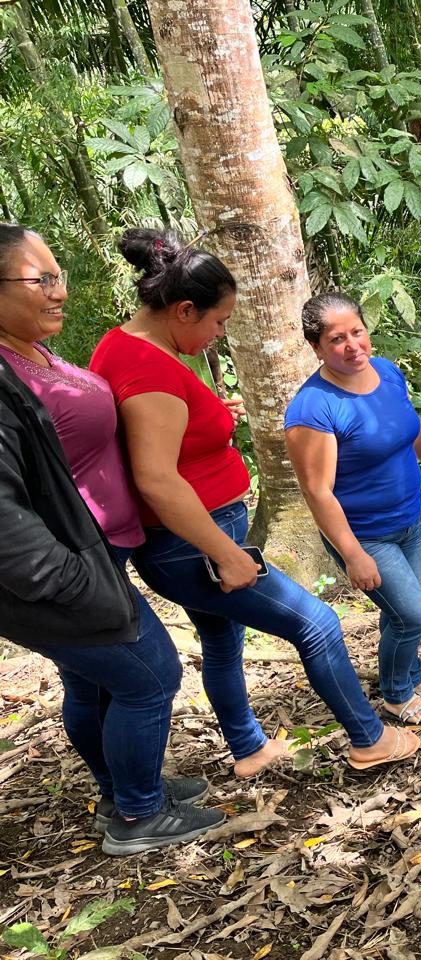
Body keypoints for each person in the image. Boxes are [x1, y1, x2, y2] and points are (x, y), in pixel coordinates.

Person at [91, 228, 419, 774]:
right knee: (317, 623)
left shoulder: (128, 346)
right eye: (219, 322)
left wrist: (209, 418)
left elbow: (157, 435)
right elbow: (157, 479)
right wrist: (226, 553)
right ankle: (369, 738)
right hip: (191, 543)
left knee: (222, 640)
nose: (219, 334)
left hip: (194, 536)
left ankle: (248, 748)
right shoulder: (148, 368)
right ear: (185, 310)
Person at [0, 223, 224, 855]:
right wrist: (73, 583)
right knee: (150, 674)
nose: (58, 291)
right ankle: (138, 816)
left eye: (59, 276)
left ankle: (123, 790)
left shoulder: (32, 352)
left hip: (98, 549)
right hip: (63, 571)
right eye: (40, 280)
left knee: (92, 683)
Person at [285, 292, 421, 724]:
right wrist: (353, 555)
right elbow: (317, 491)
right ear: (316, 347)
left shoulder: (385, 371)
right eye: (337, 339)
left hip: (409, 520)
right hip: (365, 534)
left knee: (400, 611)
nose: (353, 345)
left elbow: (411, 428)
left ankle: (412, 675)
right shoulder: (313, 408)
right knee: (412, 615)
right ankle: (397, 695)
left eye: (357, 332)